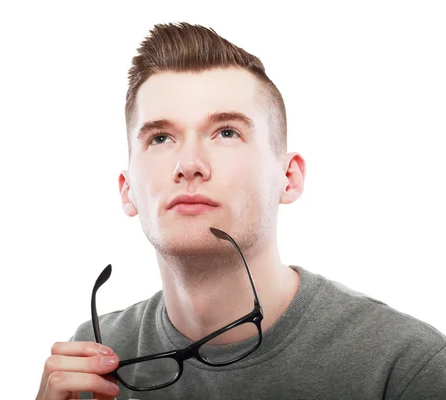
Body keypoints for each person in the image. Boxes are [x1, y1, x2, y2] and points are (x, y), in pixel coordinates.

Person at [36, 22, 446, 400]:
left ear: (289, 177)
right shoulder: (92, 362)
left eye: (226, 132)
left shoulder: (406, 366)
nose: (189, 163)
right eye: (161, 138)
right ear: (128, 191)